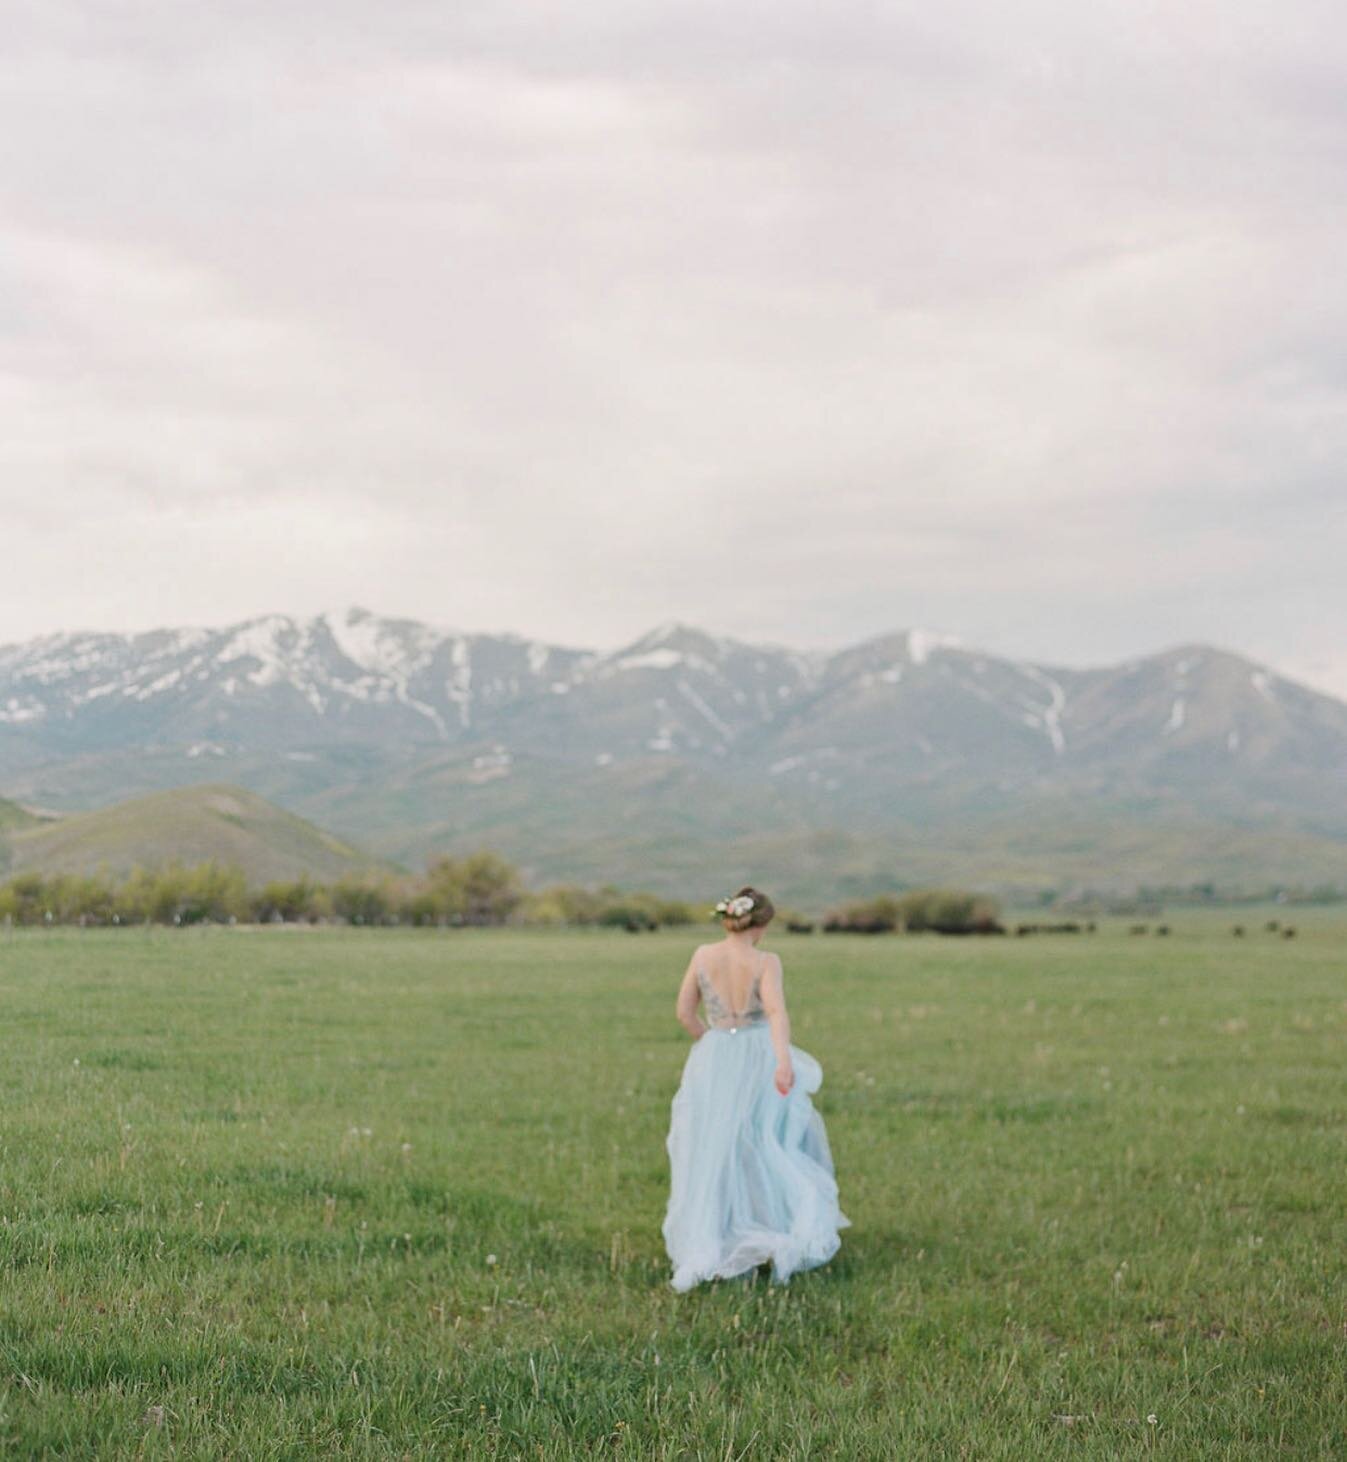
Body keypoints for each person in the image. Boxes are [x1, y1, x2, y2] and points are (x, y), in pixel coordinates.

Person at [662, 885, 849, 1291]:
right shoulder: (765, 961)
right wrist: (783, 1061)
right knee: (764, 1139)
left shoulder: (702, 955)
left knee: (713, 1145)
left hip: (714, 1056)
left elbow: (683, 1012)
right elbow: (777, 1012)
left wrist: (709, 1042)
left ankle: (717, 1231)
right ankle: (769, 1224)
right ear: (761, 924)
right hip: (756, 1055)